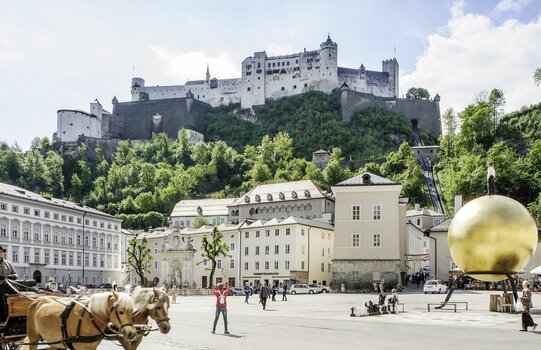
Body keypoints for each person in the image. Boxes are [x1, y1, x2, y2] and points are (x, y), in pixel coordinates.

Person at [0, 245, 18, 320]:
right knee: (4, 295)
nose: (0, 253)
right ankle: (3, 315)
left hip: (9, 284)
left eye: (1, 252)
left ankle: (16, 313)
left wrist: (12, 276)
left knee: (17, 294)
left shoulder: (8, 263)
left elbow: (16, 274)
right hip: (0, 284)